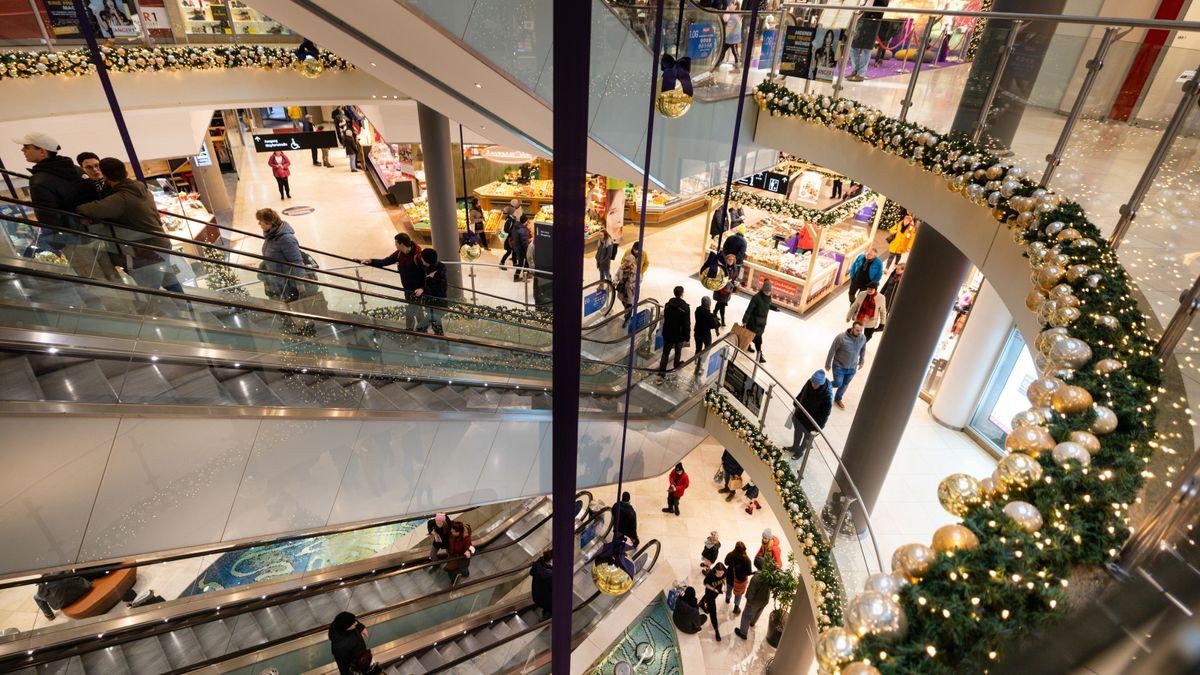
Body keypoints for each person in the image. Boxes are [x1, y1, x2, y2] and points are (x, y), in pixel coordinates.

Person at [77, 158, 183, 293]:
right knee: (168, 279)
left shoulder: (120, 198)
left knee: (150, 289)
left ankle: (163, 311)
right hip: (160, 242)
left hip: (145, 248)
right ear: (125, 171)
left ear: (105, 175)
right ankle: (187, 308)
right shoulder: (139, 187)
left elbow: (88, 209)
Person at [358, 233, 425, 330]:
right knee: (417, 310)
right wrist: (371, 261)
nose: (395, 245)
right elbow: (386, 261)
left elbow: (425, 273)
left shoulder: (418, 256)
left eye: (396, 243)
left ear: (402, 244)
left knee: (410, 312)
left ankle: (409, 331)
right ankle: (422, 329)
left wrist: (423, 288)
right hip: (407, 289)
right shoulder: (399, 254)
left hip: (417, 290)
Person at [255, 207, 308, 302]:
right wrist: (262, 268)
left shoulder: (286, 239)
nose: (259, 223)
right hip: (276, 282)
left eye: (260, 221)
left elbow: (296, 261)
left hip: (287, 285)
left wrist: (300, 284)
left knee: (291, 309)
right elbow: (271, 256)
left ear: (269, 222)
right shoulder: (271, 235)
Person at [791, 370, 833, 459]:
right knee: (797, 431)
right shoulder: (809, 382)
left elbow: (825, 413)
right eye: (812, 382)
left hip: (812, 421)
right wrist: (796, 403)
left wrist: (818, 427)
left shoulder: (827, 394)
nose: (813, 385)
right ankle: (795, 447)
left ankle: (800, 452)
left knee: (807, 438)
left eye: (816, 384)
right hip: (800, 414)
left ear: (821, 384)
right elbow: (802, 393)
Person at [826, 321, 867, 409]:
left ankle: (838, 398)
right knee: (838, 383)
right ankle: (823, 385)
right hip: (839, 366)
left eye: (861, 331)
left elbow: (863, 349)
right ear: (852, 328)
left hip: (852, 367)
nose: (859, 333)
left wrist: (862, 361)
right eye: (857, 330)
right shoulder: (841, 337)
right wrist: (828, 363)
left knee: (845, 384)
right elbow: (832, 350)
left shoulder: (863, 338)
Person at [741, 279, 780, 363]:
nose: (768, 293)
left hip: (762, 322)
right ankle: (760, 356)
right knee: (758, 339)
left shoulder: (768, 297)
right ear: (763, 290)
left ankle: (748, 345)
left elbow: (768, 305)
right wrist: (744, 321)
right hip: (753, 321)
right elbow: (749, 310)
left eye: (769, 291)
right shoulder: (756, 297)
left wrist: (774, 308)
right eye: (767, 291)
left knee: (753, 336)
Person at [658, 286, 690, 381]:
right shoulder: (685, 307)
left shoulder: (668, 305)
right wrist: (687, 336)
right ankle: (676, 365)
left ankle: (661, 372)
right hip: (678, 334)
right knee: (678, 351)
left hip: (668, 332)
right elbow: (686, 323)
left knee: (665, 353)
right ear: (681, 294)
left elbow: (666, 317)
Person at [733, 557, 770, 640]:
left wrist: (748, 599)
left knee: (746, 615)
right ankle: (752, 623)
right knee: (758, 611)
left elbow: (750, 592)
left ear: (755, 565)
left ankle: (743, 633)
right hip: (765, 600)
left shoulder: (756, 578)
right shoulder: (769, 574)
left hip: (754, 602)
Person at [415, 248, 448, 335]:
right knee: (436, 326)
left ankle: (442, 345)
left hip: (437, 303)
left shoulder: (438, 270)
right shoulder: (430, 268)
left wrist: (423, 289)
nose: (421, 259)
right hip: (432, 304)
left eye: (422, 257)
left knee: (421, 327)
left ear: (426, 259)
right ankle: (442, 345)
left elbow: (436, 286)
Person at [327, 611, 371, 675]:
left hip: (362, 662)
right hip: (356, 670)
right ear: (347, 628)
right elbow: (344, 667)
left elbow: (351, 620)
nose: (356, 623)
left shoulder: (340, 623)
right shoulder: (339, 647)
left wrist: (361, 627)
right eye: (353, 624)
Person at [703, 252, 738, 328]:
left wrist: (734, 282)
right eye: (729, 259)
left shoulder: (735, 269)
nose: (731, 261)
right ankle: (722, 320)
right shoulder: (722, 267)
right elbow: (717, 277)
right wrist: (725, 280)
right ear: (726, 259)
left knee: (721, 303)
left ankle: (715, 312)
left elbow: (735, 278)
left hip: (728, 289)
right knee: (722, 304)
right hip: (721, 289)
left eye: (732, 260)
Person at [724, 542, 752, 614]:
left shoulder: (730, 555)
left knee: (729, 589)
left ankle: (727, 599)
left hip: (730, 577)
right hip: (740, 580)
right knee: (738, 594)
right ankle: (736, 608)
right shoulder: (747, 560)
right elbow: (749, 572)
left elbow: (726, 562)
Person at [701, 562, 726, 641]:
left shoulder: (724, 572)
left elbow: (725, 578)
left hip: (717, 592)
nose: (720, 575)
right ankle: (716, 630)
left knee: (708, 599)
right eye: (718, 573)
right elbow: (705, 583)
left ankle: (701, 603)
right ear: (715, 570)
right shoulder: (710, 575)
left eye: (722, 573)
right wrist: (714, 589)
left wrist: (724, 586)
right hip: (710, 593)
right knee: (713, 612)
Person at [444, 520, 474, 587]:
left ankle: (463, 576)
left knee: (463, 568)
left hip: (462, 558)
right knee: (454, 568)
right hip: (453, 556)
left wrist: (468, 551)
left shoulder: (466, 538)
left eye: (453, 530)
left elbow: (472, 548)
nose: (451, 531)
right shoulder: (455, 534)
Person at [693, 296, 720, 364]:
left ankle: (696, 361)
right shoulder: (709, 315)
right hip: (705, 335)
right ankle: (701, 362)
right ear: (709, 304)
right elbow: (714, 325)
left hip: (697, 332)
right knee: (707, 348)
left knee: (698, 348)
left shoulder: (697, 310)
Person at [718, 2, 742, 70]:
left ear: (735, 6)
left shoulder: (733, 17)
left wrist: (723, 36)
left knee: (733, 52)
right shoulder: (735, 16)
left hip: (732, 39)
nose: (729, 5)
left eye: (732, 4)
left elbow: (728, 29)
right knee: (726, 52)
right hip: (732, 39)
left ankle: (737, 68)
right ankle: (717, 65)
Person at [529, 550, 553, 618]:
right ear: (551, 560)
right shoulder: (550, 575)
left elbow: (531, 572)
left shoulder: (538, 563)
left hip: (535, 596)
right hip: (546, 600)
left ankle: (546, 614)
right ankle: (547, 616)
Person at [511, 213, 533, 281]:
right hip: (521, 249)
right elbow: (524, 244)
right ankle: (521, 277)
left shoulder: (517, 226)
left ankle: (521, 275)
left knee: (521, 262)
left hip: (517, 247)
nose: (528, 223)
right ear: (524, 222)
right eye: (527, 221)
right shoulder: (523, 231)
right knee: (524, 262)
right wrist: (528, 250)